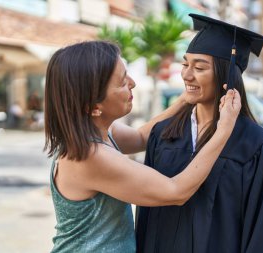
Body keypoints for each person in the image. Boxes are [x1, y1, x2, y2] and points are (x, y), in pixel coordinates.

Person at [44, 40, 241, 253]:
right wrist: (224, 130)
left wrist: (184, 100)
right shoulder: (89, 156)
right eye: (121, 82)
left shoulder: (97, 133)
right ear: (92, 105)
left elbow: (140, 137)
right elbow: (176, 191)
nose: (132, 83)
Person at [136, 14, 263, 253]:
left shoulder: (258, 147)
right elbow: (145, 221)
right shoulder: (164, 135)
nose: (186, 75)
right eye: (185, 64)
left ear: (227, 75)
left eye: (199, 67)